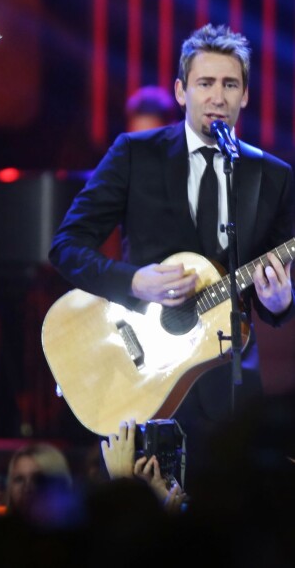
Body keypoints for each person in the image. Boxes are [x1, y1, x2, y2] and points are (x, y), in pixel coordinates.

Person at [48, 24, 295, 491]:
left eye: (230, 84)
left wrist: (281, 303)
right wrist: (135, 281)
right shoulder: (135, 154)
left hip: (231, 386)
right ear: (182, 91)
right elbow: (66, 247)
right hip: (142, 376)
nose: (217, 96)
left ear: (245, 96)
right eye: (205, 83)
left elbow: (266, 294)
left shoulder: (272, 176)